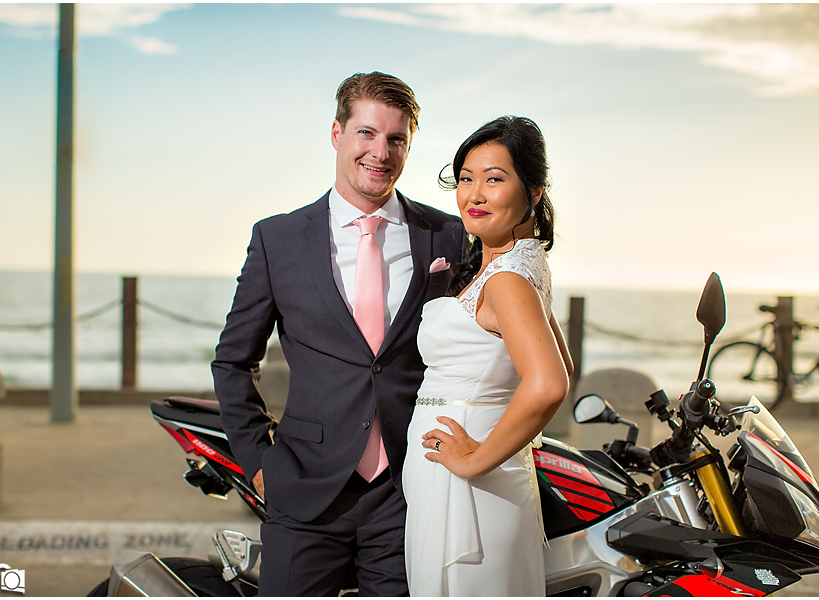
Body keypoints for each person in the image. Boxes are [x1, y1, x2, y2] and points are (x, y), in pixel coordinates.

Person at [212, 72, 463, 596]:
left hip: (409, 490)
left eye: (397, 139)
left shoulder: (446, 235)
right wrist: (259, 462)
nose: (381, 152)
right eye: (367, 134)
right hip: (305, 488)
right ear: (336, 133)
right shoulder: (277, 239)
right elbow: (233, 361)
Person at [402, 116, 573, 596]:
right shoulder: (520, 264)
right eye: (465, 179)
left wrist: (476, 462)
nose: (473, 195)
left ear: (534, 191)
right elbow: (564, 366)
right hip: (470, 467)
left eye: (494, 179)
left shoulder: (507, 278)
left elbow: (549, 383)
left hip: (469, 482)